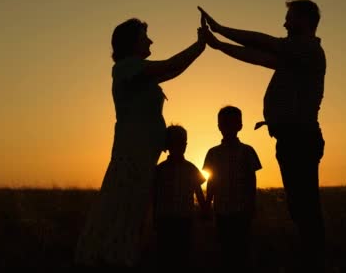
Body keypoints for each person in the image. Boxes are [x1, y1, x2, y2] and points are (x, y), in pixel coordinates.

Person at [199, 0, 327, 270]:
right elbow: (258, 56)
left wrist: (221, 30)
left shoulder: (306, 49)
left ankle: (315, 261)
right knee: (300, 208)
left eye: (289, 17)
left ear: (303, 20)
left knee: (305, 209)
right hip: (292, 139)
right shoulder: (294, 56)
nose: (284, 23)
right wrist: (220, 44)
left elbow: (263, 43)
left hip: (300, 139)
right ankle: (312, 258)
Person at [74, 17, 207, 271]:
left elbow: (171, 70)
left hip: (141, 155)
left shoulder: (137, 70)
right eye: (145, 36)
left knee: (131, 208)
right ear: (131, 42)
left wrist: (199, 48)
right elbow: (170, 66)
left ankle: (115, 257)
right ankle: (106, 258)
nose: (151, 40)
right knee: (121, 204)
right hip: (132, 152)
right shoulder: (126, 67)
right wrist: (199, 46)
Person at [202, 105, 262, 270]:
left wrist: (251, 204)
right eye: (225, 123)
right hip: (221, 210)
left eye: (232, 123)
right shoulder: (213, 153)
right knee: (225, 250)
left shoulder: (247, 151)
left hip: (242, 210)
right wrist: (207, 204)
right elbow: (211, 181)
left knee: (241, 250)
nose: (228, 127)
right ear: (219, 126)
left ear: (240, 126)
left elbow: (251, 179)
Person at [152, 124, 207, 271]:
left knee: (183, 256)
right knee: (165, 256)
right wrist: (153, 217)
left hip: (184, 218)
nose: (181, 146)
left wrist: (204, 210)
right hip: (165, 218)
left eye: (183, 142)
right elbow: (154, 195)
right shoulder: (160, 170)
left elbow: (198, 190)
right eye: (176, 142)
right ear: (168, 145)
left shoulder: (190, 168)